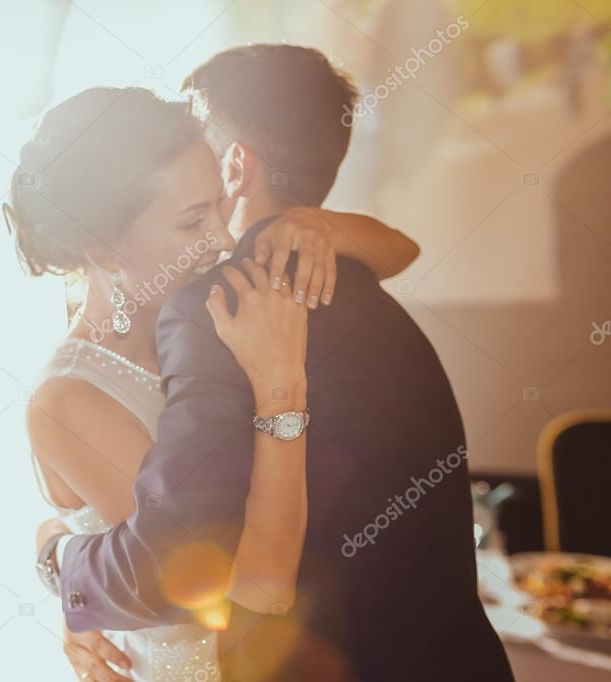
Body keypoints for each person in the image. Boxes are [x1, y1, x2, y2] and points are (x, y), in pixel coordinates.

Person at [38, 46, 515, 681]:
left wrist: (56, 557)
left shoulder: (224, 306)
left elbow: (210, 565)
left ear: (234, 167)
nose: (220, 238)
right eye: (189, 217)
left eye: (212, 200)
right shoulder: (348, 285)